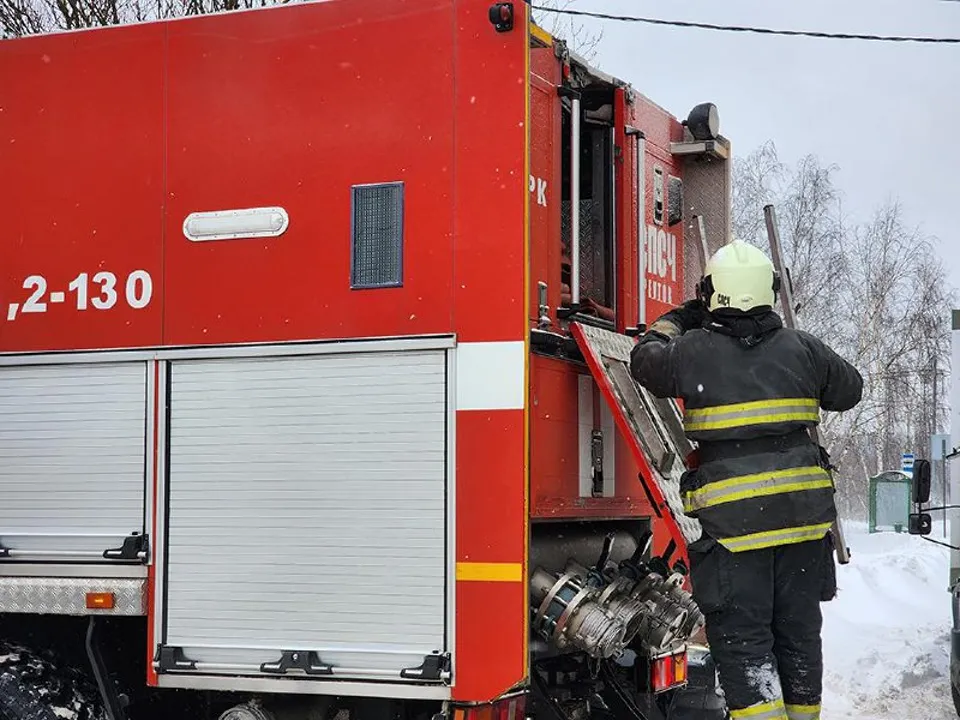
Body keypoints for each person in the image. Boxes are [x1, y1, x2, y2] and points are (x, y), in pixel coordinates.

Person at [629, 239, 863, 720]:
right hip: (803, 526)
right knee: (798, 636)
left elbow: (644, 357)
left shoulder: (692, 353)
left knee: (743, 643)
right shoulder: (803, 349)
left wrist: (682, 317)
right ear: (768, 292)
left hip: (737, 535)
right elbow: (850, 390)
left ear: (713, 293)